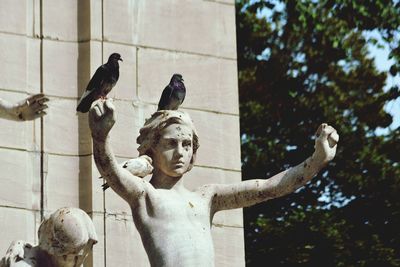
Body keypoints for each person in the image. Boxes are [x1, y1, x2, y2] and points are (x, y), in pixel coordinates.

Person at [89, 99, 339, 267]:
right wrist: (100, 137)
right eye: (170, 144)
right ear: (151, 148)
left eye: (186, 145)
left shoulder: (207, 197)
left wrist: (316, 161)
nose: (180, 152)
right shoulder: (146, 195)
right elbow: (111, 172)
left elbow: (268, 188)